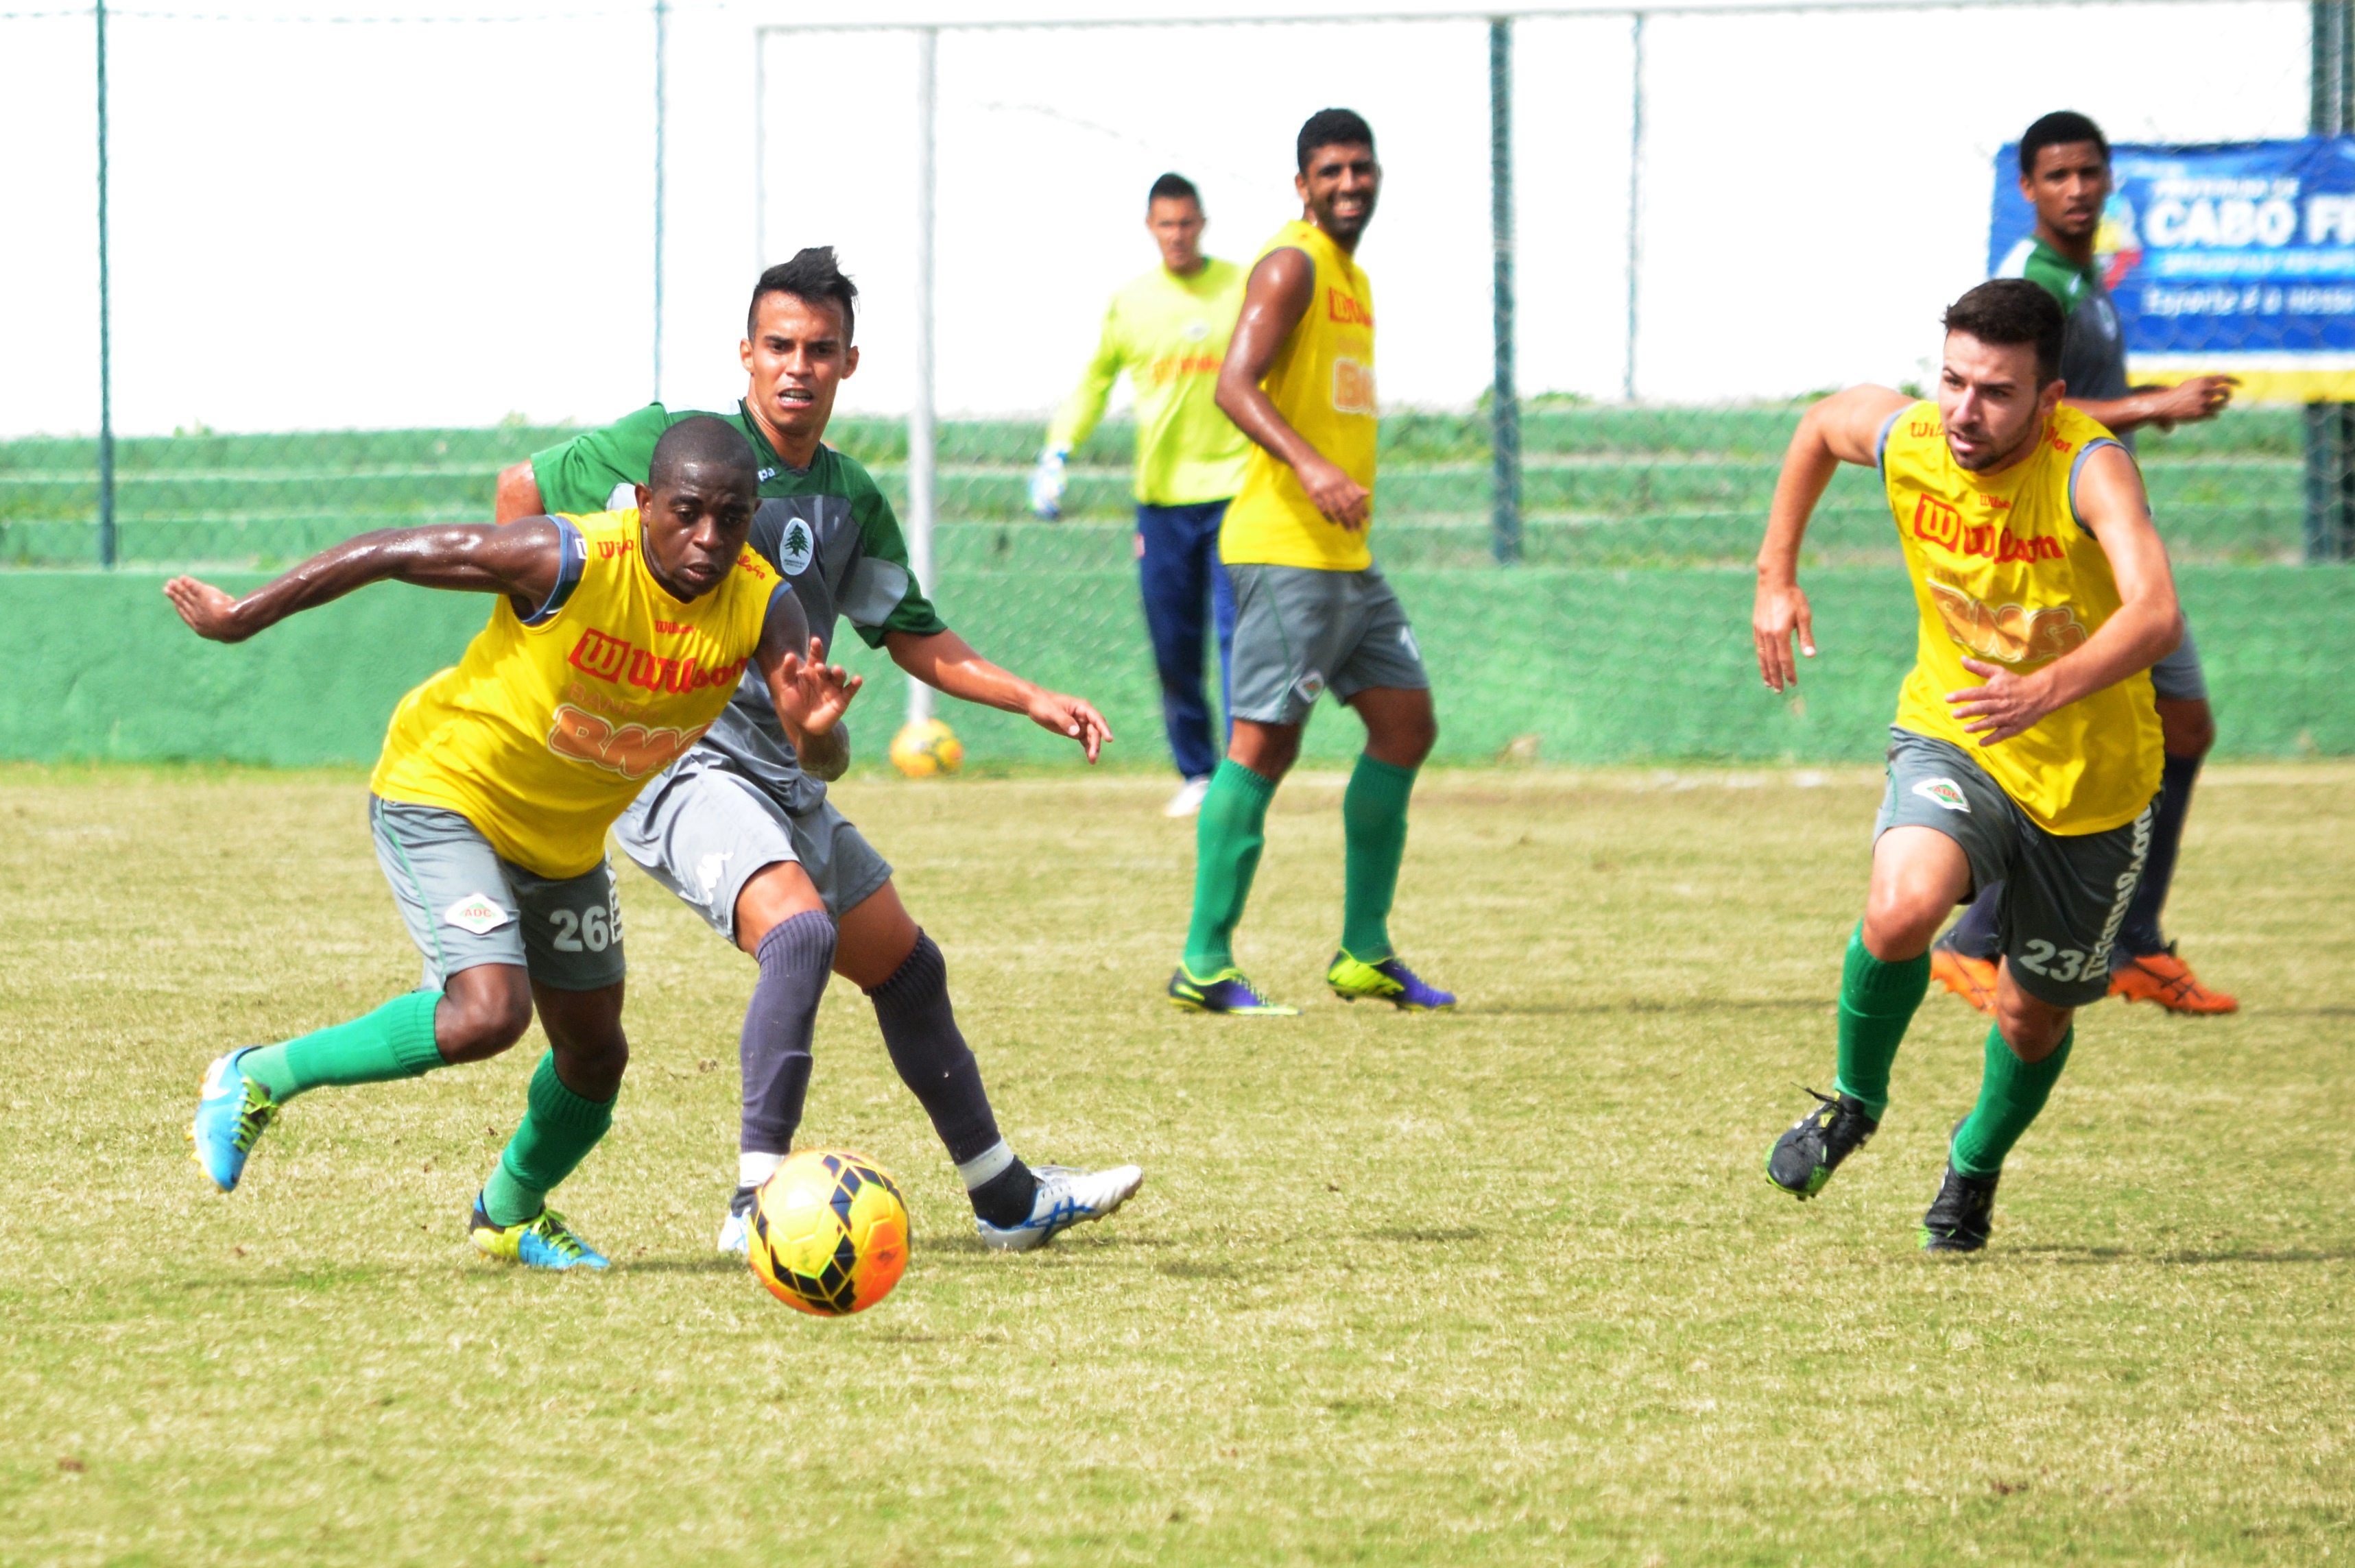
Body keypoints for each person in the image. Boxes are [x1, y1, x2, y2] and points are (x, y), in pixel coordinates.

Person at [497, 248, 1143, 1254]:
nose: (797, 366)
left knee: (908, 968)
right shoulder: (677, 447)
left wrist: (1029, 697)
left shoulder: (847, 497)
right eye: (779, 346)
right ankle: (756, 1201)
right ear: (746, 354)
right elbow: (521, 487)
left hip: (787, 767)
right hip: (680, 762)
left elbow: (913, 631)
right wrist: (548, 649)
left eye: (819, 350)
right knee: (798, 936)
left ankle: (1005, 1197)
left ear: (849, 363)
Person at [177, 418, 859, 1270]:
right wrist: (245, 615)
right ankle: (258, 1074)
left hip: (562, 842)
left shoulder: (763, 602)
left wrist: (812, 733)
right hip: (446, 789)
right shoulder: (566, 560)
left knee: (594, 1054)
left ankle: (509, 1212)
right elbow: (394, 550)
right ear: (645, 503)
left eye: (732, 516)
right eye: (687, 512)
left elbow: (820, 756)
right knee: (486, 1013)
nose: (709, 538)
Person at [1755, 280, 2182, 1251]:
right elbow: (1822, 425)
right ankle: (1854, 1102)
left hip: (2093, 787)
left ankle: (1973, 1165)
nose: (1962, 410)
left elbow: (2155, 612)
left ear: (2049, 396)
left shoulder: (2090, 469)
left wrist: (2048, 686)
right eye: (1950, 380)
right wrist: (1774, 577)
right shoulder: (1912, 439)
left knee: (2031, 1018)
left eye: (1994, 391)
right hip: (1958, 737)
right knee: (1901, 905)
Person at [1932, 110, 2240, 1017]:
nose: (2076, 188)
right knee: (2084, 740)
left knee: (2181, 727)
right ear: (2026, 188)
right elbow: (2030, 413)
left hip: (2112, 535)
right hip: (2065, 548)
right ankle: (1978, 938)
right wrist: (2153, 404)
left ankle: (2131, 943)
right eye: (2056, 175)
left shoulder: (2087, 279)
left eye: (2089, 172)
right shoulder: (2038, 283)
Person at [1165, 107, 1454, 1017]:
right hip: (1283, 550)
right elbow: (1231, 383)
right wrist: (1313, 464)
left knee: (1405, 724)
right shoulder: (1289, 262)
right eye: (1329, 170)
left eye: (1360, 169)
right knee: (1263, 745)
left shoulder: (1354, 277)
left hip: (1345, 559)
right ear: (1302, 184)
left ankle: (1362, 950)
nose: (1347, 183)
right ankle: (1203, 962)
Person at [1031, 171, 1252, 818]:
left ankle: (1243, 776)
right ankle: (1198, 771)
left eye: (1187, 223)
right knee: (1172, 644)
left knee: (1240, 637)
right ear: (1151, 229)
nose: (1178, 235)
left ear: (1202, 224)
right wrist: (1057, 450)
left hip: (1237, 490)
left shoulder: (1242, 288)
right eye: (1166, 225)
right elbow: (1095, 383)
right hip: (1161, 502)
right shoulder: (1131, 303)